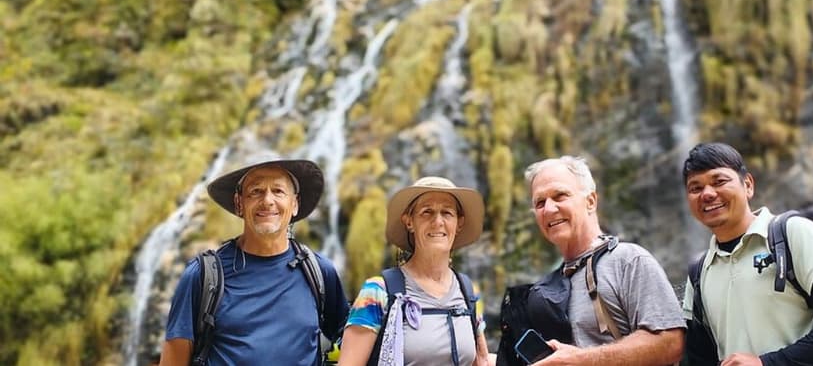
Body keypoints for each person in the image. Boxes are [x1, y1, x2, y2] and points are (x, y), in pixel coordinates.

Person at [680, 143, 813, 366]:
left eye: (719, 181)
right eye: (695, 188)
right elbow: (700, 357)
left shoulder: (793, 232)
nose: (708, 194)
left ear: (747, 185)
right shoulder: (699, 271)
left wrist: (766, 363)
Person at [159, 157, 350, 366]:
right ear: (239, 204)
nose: (268, 200)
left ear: (294, 204)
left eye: (278, 191)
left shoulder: (319, 272)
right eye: (256, 191)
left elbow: (353, 339)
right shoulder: (203, 276)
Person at [523, 155, 685, 365]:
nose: (549, 209)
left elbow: (671, 342)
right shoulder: (549, 285)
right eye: (540, 203)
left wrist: (582, 360)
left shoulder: (627, 260)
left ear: (590, 201)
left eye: (560, 196)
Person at [338, 176, 493, 366]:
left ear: (459, 223)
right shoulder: (377, 292)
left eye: (447, 213)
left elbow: (481, 361)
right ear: (409, 221)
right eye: (427, 212)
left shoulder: (468, 292)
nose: (438, 221)